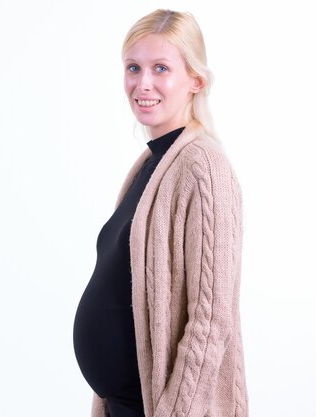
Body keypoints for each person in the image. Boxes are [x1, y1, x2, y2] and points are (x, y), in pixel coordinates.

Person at [72, 9, 248, 417]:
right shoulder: (150, 165)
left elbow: (211, 320)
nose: (142, 83)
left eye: (161, 68)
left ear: (195, 81)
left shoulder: (203, 168)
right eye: (133, 67)